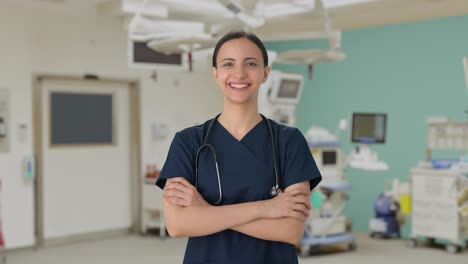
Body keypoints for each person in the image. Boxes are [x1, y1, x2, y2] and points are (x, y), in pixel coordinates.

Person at [156, 30, 322, 264]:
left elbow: (291, 230)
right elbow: (177, 224)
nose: (239, 73)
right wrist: (266, 208)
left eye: (251, 63)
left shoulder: (289, 141)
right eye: (228, 64)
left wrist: (205, 211)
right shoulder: (188, 142)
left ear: (265, 73)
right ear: (215, 74)